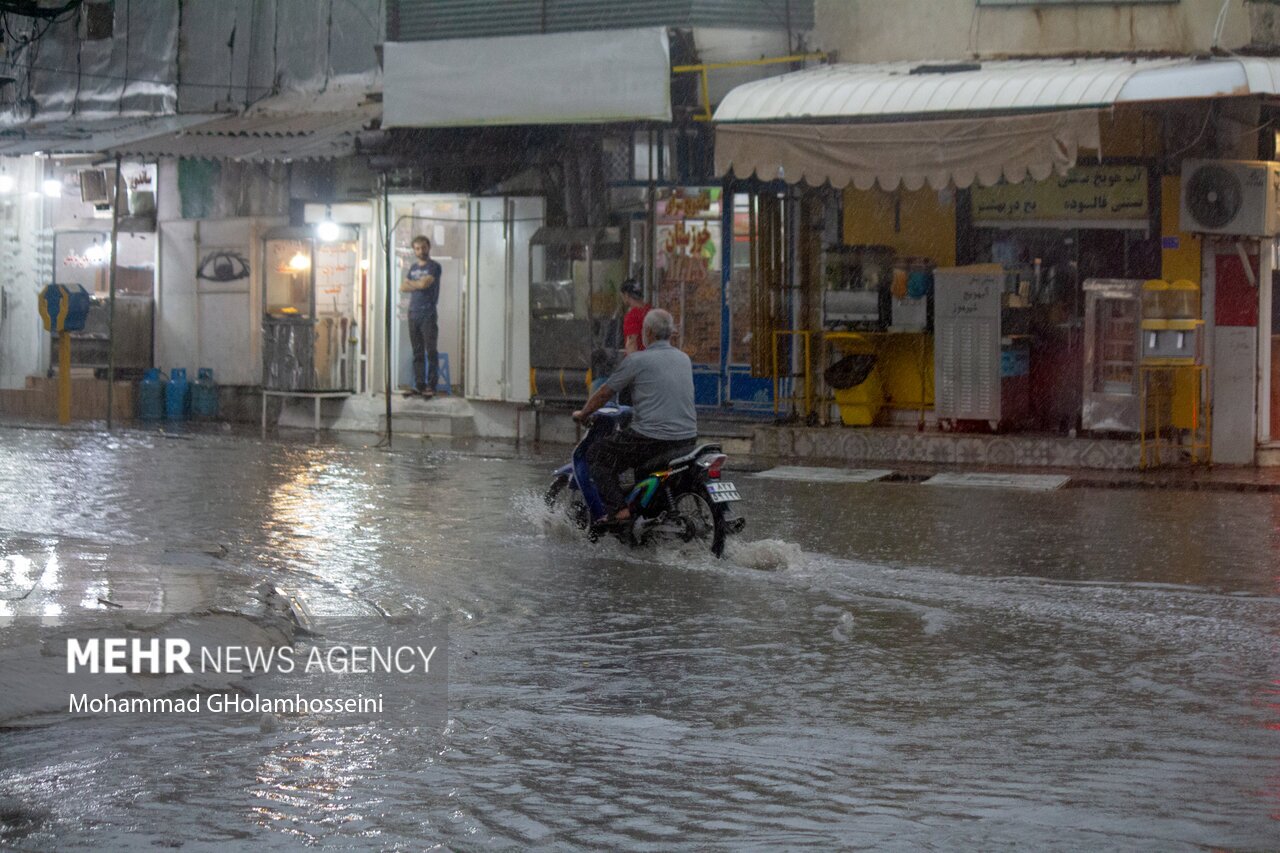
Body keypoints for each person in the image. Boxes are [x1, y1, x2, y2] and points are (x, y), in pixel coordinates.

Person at [573, 309, 697, 524]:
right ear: (670, 333)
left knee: (597, 455)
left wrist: (583, 413)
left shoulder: (638, 360)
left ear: (647, 332)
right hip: (687, 438)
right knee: (636, 464)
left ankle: (620, 512)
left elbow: (605, 392)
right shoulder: (683, 358)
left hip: (650, 440)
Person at [400, 235, 442, 397]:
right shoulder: (413, 268)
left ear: (428, 247)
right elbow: (403, 287)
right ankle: (419, 385)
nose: (420, 251)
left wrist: (414, 284)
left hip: (428, 313)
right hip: (413, 313)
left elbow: (425, 284)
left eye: (423, 248)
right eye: (417, 248)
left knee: (430, 350)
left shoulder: (434, 267)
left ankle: (431, 386)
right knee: (417, 351)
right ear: (414, 250)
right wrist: (417, 284)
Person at [619, 278, 652, 356]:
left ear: (626, 295)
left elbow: (632, 343)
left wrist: (632, 364)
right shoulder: (651, 310)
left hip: (640, 361)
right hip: (653, 358)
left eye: (622, 296)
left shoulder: (632, 316)